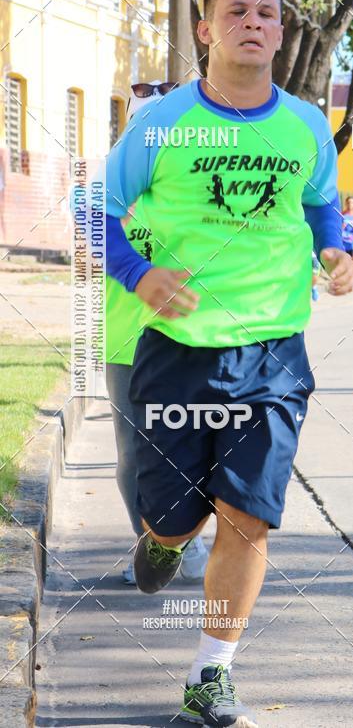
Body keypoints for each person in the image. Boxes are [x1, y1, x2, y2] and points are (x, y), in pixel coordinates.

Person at [101, 0, 353, 726]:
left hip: (274, 350)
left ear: (280, 31)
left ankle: (212, 671)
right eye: (237, 11)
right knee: (177, 515)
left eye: (268, 13)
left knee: (248, 514)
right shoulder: (161, 123)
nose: (254, 22)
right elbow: (99, 211)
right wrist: (139, 275)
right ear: (206, 30)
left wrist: (335, 249)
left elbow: (321, 205)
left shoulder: (307, 124)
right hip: (178, 349)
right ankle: (163, 539)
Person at [105, 82, 208, 586]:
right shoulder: (108, 190)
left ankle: (190, 539)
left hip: (186, 339)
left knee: (192, 447)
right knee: (133, 453)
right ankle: (150, 548)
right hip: (125, 342)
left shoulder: (191, 185)